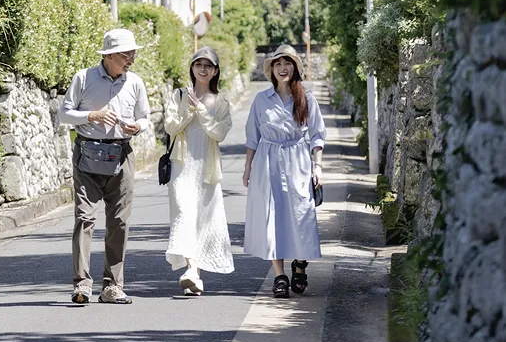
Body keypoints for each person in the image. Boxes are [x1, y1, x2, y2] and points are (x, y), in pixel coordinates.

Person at [59, 29, 150, 305]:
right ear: (110, 55)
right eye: (127, 53)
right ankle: (82, 285)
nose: (132, 57)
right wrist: (91, 115)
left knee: (119, 222)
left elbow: (145, 116)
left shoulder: (135, 82)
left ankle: (112, 286)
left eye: (133, 52)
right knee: (85, 218)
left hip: (122, 153)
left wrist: (138, 126)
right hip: (87, 154)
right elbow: (64, 114)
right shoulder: (83, 78)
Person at [242, 44, 326, 298]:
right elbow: (252, 137)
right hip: (267, 162)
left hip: (298, 161)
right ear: (272, 70)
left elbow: (317, 134)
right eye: (278, 64)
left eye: (287, 63)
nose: (282, 68)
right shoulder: (260, 100)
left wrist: (317, 166)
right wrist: (247, 167)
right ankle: (279, 275)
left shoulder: (306, 98)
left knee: (301, 214)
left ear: (295, 68)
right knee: (271, 218)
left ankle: (299, 265)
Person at [164, 46, 234, 295]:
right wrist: (188, 111)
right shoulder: (179, 95)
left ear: (215, 71)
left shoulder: (221, 101)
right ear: (192, 68)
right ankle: (192, 268)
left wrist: (202, 111)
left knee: (203, 219)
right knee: (184, 212)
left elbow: (219, 132)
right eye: (198, 64)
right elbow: (171, 127)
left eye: (208, 66)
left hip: (207, 167)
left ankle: (196, 277)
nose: (203, 69)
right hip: (182, 167)